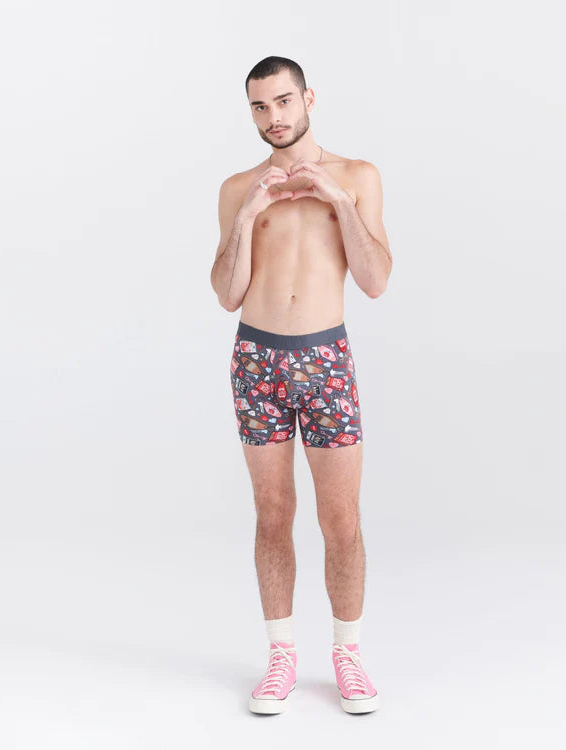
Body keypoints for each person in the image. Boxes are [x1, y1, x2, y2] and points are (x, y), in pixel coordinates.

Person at [209, 56, 392, 714]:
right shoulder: (238, 186)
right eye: (260, 107)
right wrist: (246, 216)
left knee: (340, 517)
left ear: (309, 98)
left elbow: (375, 280)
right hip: (257, 360)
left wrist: (338, 201)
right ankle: (281, 655)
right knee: (273, 513)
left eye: (283, 101)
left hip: (324, 360)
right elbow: (227, 293)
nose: (274, 117)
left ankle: (348, 655)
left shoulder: (357, 176)